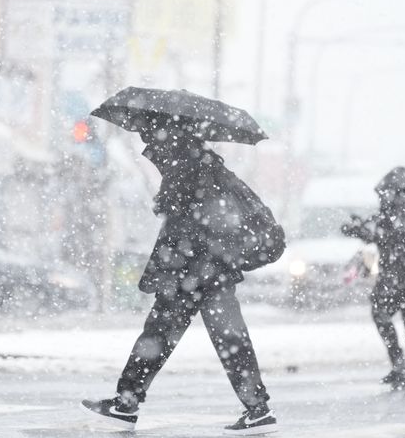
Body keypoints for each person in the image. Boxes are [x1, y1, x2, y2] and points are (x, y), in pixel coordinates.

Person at [81, 125, 284, 435]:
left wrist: (166, 201)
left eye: (153, 140)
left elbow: (186, 214)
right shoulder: (205, 166)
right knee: (224, 338)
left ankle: (127, 403)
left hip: (192, 271)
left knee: (161, 335)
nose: (150, 147)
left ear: (171, 141)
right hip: (206, 270)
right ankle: (257, 409)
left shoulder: (189, 167)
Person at [341, 166, 405, 392]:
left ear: (397, 189)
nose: (383, 198)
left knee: (397, 318)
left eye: (386, 193)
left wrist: (367, 231)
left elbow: (401, 235)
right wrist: (362, 227)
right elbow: (385, 228)